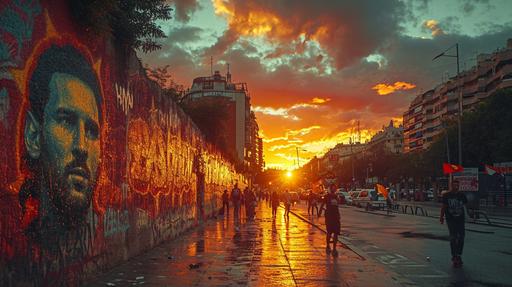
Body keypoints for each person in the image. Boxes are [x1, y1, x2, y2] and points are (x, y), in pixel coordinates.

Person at [440, 180, 467, 268]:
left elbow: (465, 206)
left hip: (460, 219)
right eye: (454, 185)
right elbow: (444, 207)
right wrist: (441, 217)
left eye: (457, 185)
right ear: (451, 186)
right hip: (451, 219)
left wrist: (471, 215)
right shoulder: (447, 195)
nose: (456, 187)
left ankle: (459, 254)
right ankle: (454, 255)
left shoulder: (461, 195)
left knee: (461, 237)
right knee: (453, 237)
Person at [324, 185, 341, 257]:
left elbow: (339, 203)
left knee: (336, 233)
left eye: (335, 188)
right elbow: (323, 204)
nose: (334, 189)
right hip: (329, 217)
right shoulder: (327, 196)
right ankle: (328, 245)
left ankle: (334, 248)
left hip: (336, 217)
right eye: (333, 188)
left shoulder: (336, 196)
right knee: (329, 232)